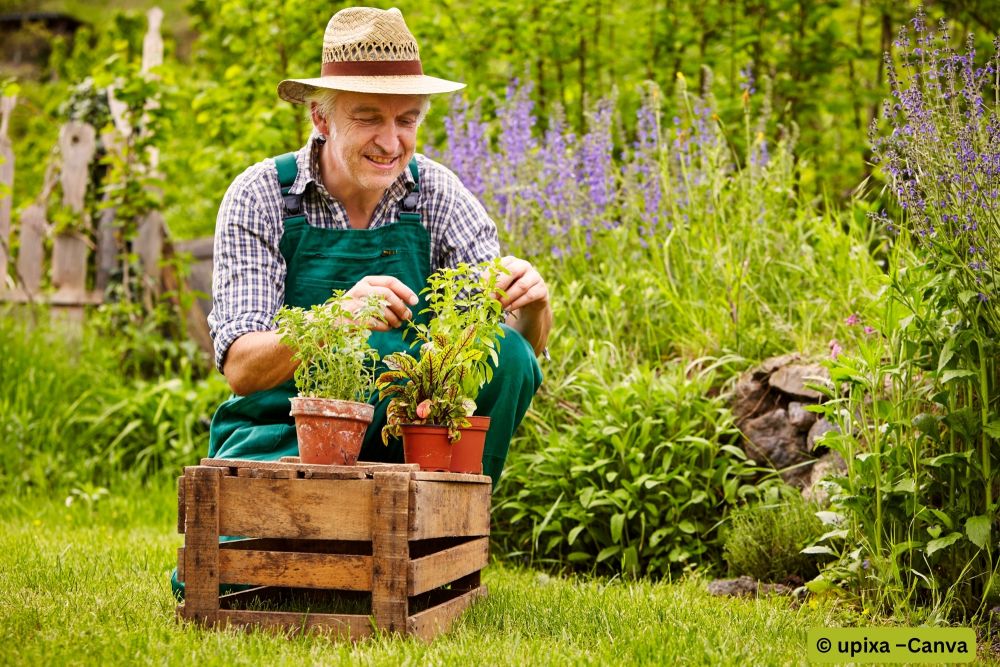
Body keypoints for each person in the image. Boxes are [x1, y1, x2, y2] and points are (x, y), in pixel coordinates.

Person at [205, 6, 551, 486]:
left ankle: (447, 532)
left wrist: (531, 305)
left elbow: (505, 361)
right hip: (283, 437)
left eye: (406, 121)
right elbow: (241, 367)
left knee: (509, 353)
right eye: (368, 118)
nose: (390, 142)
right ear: (321, 118)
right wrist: (336, 318)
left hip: (407, 445)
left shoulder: (436, 194)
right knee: (266, 548)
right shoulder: (262, 194)